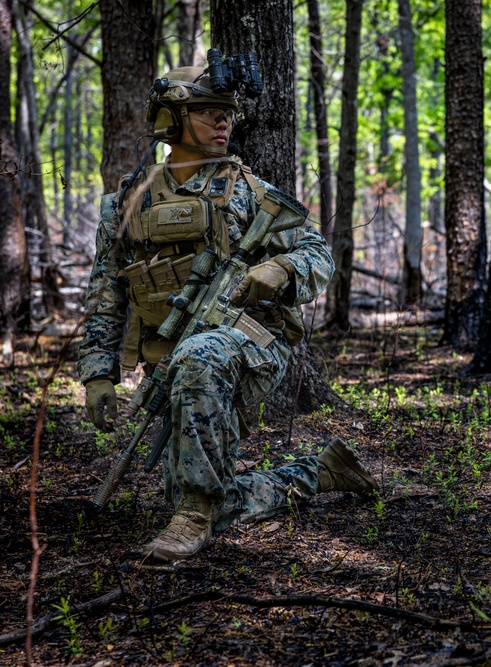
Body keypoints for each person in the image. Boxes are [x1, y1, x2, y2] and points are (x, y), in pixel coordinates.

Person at [79, 62, 377, 563]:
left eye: (227, 114)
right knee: (206, 491)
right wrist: (96, 375)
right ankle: (318, 473)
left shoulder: (245, 191)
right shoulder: (126, 205)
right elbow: (106, 295)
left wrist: (281, 270)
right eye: (207, 112)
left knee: (200, 356)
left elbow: (317, 255)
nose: (223, 123)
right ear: (171, 119)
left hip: (248, 344)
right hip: (170, 359)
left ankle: (194, 518)